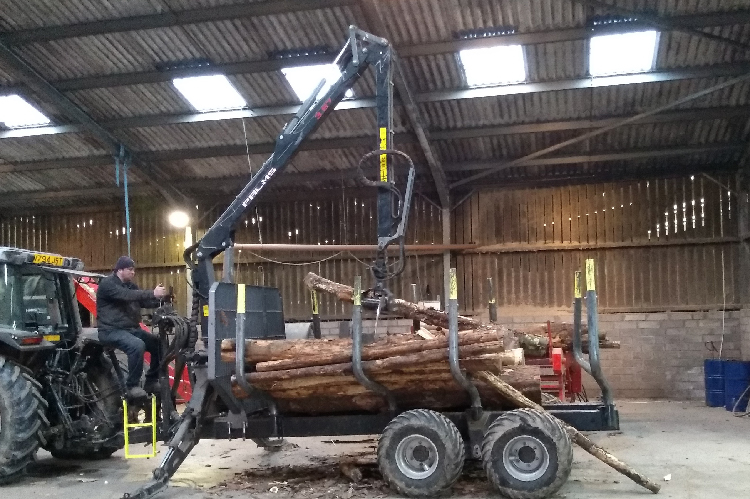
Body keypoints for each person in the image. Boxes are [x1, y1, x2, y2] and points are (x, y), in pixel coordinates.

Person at [96, 256, 168, 399]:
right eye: (130, 269)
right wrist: (152, 293)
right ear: (120, 269)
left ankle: (151, 381)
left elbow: (142, 301)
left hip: (130, 330)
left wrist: (160, 300)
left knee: (158, 344)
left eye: (133, 270)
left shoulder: (131, 286)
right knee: (137, 345)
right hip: (111, 331)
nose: (133, 272)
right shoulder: (107, 284)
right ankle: (132, 386)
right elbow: (126, 296)